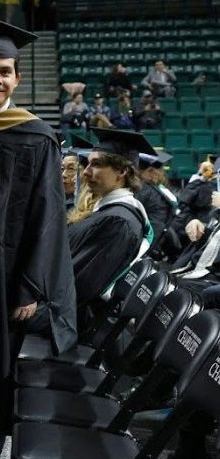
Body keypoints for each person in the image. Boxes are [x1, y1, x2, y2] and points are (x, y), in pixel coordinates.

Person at [0, 20, 78, 459]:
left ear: (17, 79)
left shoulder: (37, 136)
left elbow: (48, 217)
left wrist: (31, 285)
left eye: (5, 72)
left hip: (7, 279)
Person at [67, 128, 155, 321]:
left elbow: (77, 284)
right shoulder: (108, 212)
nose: (86, 172)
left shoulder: (118, 222)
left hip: (63, 318)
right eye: (88, 164)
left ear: (122, 171)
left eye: (96, 164)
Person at [136, 151, 179, 257]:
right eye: (160, 169)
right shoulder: (149, 192)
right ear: (150, 171)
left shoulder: (144, 189)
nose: (162, 173)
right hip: (145, 246)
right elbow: (155, 226)